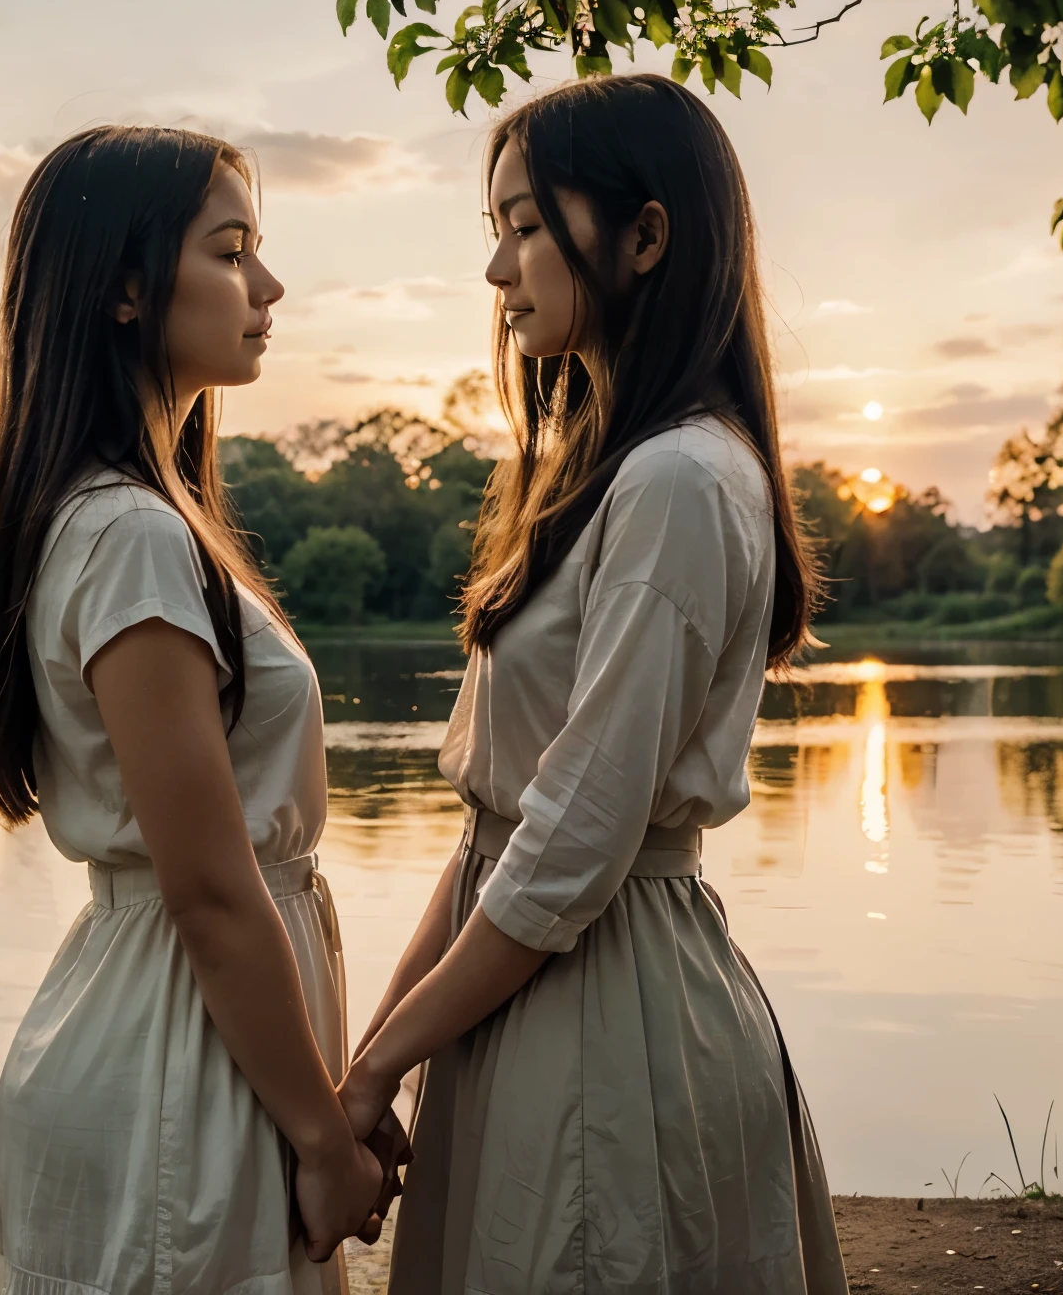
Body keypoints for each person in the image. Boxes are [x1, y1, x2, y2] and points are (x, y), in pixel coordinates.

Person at [339, 75, 851, 1294]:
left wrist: (373, 1070)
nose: (497, 269)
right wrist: (377, 1059)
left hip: (606, 1014)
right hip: (524, 989)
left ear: (646, 233)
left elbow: (572, 845)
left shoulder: (679, 480)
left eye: (525, 226)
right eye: (495, 231)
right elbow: (496, 836)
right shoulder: (599, 470)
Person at [0, 126, 395, 1295]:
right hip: (181, 1058)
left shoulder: (143, 516)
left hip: (198, 1033)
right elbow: (207, 883)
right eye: (233, 250)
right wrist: (321, 1137)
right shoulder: (130, 535)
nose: (269, 287)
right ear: (128, 289)